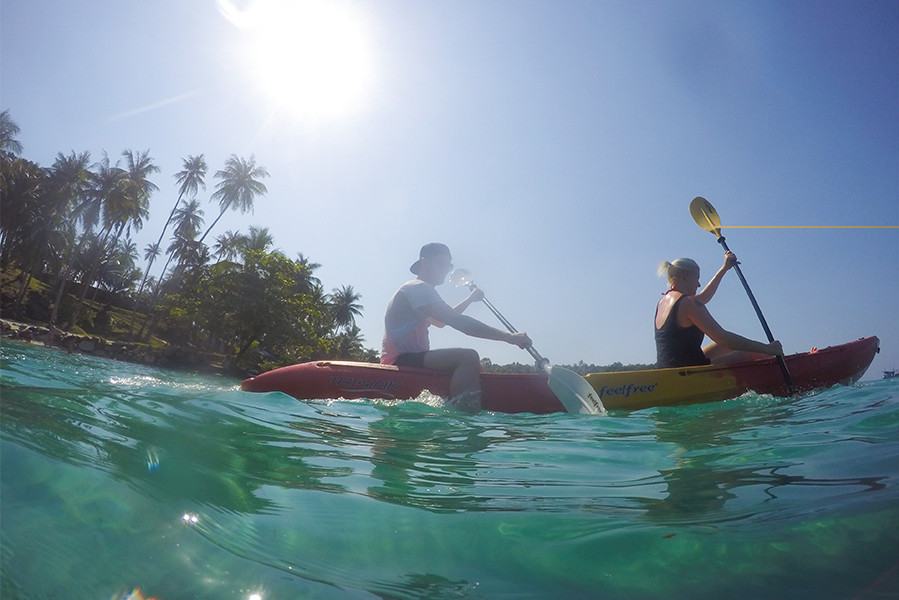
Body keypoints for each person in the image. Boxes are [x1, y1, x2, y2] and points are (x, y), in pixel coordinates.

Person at [382, 242, 532, 411]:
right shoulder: (418, 288)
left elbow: (441, 321)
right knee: (468, 357)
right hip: (401, 359)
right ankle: (464, 419)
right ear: (424, 263)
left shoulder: (420, 292)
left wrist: (469, 300)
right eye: (441, 264)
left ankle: (462, 399)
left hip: (412, 358)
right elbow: (459, 322)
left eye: (448, 266)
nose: (445, 270)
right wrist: (509, 337)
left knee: (472, 365)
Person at [655, 251, 783, 368]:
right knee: (750, 353)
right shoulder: (689, 303)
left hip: (668, 367)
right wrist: (768, 349)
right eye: (697, 278)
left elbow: (702, 298)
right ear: (684, 276)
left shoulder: (663, 301)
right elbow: (724, 339)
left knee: (723, 347)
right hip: (689, 372)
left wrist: (724, 268)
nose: (699, 284)